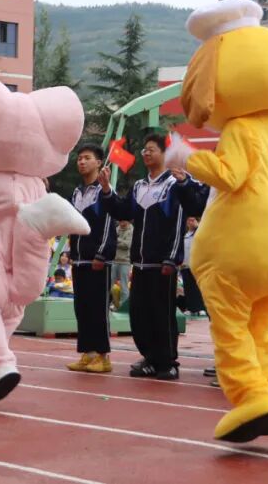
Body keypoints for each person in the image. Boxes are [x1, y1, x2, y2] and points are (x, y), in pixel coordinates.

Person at [100, 133, 207, 381]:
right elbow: (123, 211)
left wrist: (172, 258)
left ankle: (168, 361)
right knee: (140, 314)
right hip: (140, 262)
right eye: (144, 150)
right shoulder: (139, 186)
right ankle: (149, 357)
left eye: (151, 149)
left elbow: (184, 216)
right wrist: (106, 190)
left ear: (164, 153)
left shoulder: (175, 183)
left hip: (163, 263)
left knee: (162, 314)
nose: (146, 154)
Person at [66, 143, 118, 374]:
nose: (81, 162)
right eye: (79, 158)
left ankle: (103, 356)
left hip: (97, 262)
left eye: (87, 158)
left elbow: (109, 225)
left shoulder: (105, 192)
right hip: (78, 260)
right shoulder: (77, 193)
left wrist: (102, 254)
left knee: (98, 309)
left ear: (99, 163)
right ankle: (87, 353)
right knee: (82, 308)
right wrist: (71, 251)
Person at [180, 216, 205, 315]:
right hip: (185, 265)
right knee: (188, 288)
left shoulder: (200, 233)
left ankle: (201, 308)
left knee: (198, 287)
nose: (191, 222)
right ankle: (191, 308)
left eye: (193, 220)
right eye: (189, 220)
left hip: (197, 265)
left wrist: (198, 226)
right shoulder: (185, 235)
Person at [111, 221, 133, 309]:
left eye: (123, 220)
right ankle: (111, 303)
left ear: (127, 220)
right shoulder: (116, 229)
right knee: (109, 284)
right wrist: (119, 241)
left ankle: (123, 306)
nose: (121, 222)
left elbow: (127, 245)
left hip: (125, 261)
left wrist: (116, 239)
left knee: (124, 285)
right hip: (115, 260)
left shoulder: (131, 230)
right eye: (120, 220)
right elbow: (111, 241)